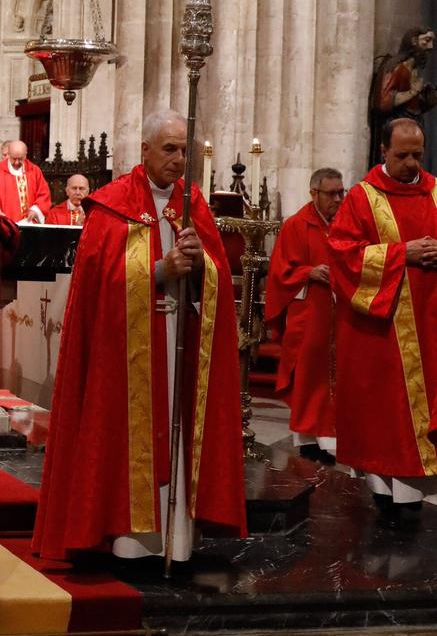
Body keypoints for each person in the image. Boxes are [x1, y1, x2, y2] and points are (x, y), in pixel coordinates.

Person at [32, 110, 245, 566]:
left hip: (177, 339)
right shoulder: (112, 206)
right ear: (144, 150)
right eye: (169, 149)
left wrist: (202, 266)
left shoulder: (193, 204)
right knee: (125, 437)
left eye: (184, 150)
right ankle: (130, 540)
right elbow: (97, 287)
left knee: (177, 429)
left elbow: (219, 277)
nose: (178, 159)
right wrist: (159, 272)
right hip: (125, 354)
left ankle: (175, 539)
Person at [330, 117, 437, 507]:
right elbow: (342, 254)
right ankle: (387, 499)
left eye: (418, 155)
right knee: (387, 420)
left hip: (431, 327)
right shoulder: (363, 198)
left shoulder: (436, 193)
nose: (412, 164)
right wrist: (400, 254)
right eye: (403, 155)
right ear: (384, 151)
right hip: (385, 332)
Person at [264, 166, 346, 459]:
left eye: (341, 192)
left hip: (340, 313)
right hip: (309, 312)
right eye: (331, 193)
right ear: (314, 193)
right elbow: (280, 271)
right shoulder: (296, 225)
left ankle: (327, 433)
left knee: (333, 372)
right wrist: (309, 271)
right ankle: (308, 434)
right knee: (310, 372)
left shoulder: (345, 223)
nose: (337, 199)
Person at [0, 140, 51, 224]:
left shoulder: (34, 171)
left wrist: (35, 210)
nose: (17, 162)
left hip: (29, 223)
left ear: (25, 155)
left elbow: (44, 194)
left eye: (20, 159)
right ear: (8, 154)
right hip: (4, 224)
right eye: (13, 159)